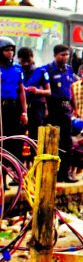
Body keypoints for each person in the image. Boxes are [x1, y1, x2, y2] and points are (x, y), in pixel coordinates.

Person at [45, 45, 78, 183]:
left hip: (66, 109)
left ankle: (65, 173)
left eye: (66, 55)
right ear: (55, 55)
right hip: (53, 109)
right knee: (52, 142)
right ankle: (52, 174)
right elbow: (44, 90)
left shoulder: (69, 69)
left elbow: (71, 89)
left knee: (67, 142)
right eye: (62, 55)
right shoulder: (48, 69)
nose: (64, 57)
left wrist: (75, 107)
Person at [0, 37, 27, 170]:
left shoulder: (17, 68)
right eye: (6, 50)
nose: (10, 53)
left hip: (13, 106)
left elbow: (21, 90)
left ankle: (15, 171)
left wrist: (24, 112)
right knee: (2, 139)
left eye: (11, 50)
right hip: (1, 107)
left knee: (14, 139)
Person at [18, 47, 50, 154]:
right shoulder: (17, 70)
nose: (26, 64)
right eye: (23, 61)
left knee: (35, 137)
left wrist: (36, 91)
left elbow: (48, 91)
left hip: (36, 108)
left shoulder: (41, 72)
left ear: (32, 58)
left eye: (28, 61)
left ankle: (35, 164)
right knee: (18, 136)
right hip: (20, 108)